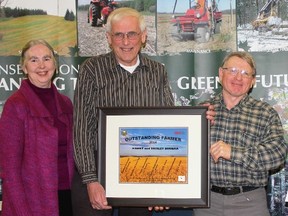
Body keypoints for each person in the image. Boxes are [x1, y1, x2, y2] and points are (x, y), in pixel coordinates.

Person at [72, 7, 215, 216]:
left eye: (132, 34)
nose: (126, 42)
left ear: (143, 36)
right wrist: (90, 179)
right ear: (109, 38)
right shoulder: (91, 69)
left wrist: (197, 118)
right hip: (97, 167)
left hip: (143, 168)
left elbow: (168, 126)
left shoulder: (157, 71)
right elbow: (82, 128)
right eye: (118, 35)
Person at [194, 51, 287, 216]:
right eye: (233, 71)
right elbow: (185, 153)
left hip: (250, 203)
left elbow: (277, 154)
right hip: (207, 203)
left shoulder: (265, 113)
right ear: (221, 73)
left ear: (252, 81)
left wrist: (232, 152)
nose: (238, 78)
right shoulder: (202, 111)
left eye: (245, 74)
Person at [0, 39, 74, 216]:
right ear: (24, 68)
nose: (41, 65)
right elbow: (9, 169)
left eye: (46, 58)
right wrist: (21, 210)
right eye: (34, 60)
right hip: (31, 202)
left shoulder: (66, 103)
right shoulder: (16, 105)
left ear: (55, 64)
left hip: (68, 196)